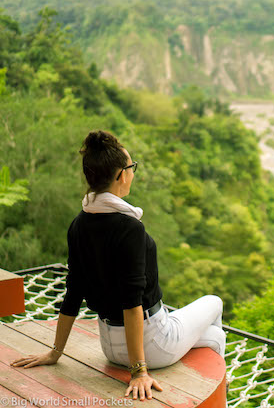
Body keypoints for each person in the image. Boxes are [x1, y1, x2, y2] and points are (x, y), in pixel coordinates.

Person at [11, 130, 226, 401]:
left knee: (215, 336)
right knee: (214, 301)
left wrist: (56, 352)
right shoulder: (129, 227)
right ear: (120, 175)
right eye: (131, 167)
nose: (133, 173)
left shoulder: (79, 224)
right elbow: (132, 303)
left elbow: (73, 292)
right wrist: (139, 372)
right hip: (153, 344)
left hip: (110, 347)